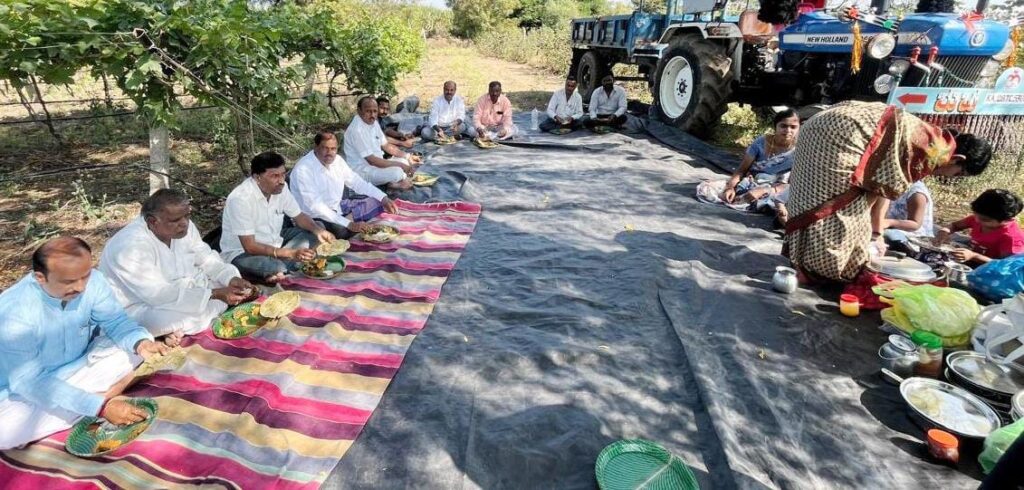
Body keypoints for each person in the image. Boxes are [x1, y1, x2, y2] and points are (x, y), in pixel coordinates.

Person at [784, 101, 992, 283]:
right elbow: (879, 190)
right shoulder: (927, 149)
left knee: (812, 199)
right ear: (959, 159)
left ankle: (804, 265)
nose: (949, 178)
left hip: (819, 125)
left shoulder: (932, 140)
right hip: (839, 135)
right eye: (957, 174)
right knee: (841, 211)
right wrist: (875, 234)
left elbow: (880, 184)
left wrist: (875, 232)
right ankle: (822, 271)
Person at [0, 236, 170, 450]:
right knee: (4, 433)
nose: (80, 287)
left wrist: (141, 344)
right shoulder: (13, 312)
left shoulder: (94, 282)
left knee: (134, 347)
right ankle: (102, 396)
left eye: (85, 276)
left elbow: (115, 321)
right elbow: (28, 381)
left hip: (80, 366)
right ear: (40, 278)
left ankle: (80, 404)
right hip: (23, 390)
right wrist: (100, 407)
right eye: (69, 282)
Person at [99, 189, 253, 341]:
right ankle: (209, 312)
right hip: (142, 306)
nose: (184, 223)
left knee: (231, 272)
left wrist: (230, 279)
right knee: (175, 319)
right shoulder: (129, 246)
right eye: (175, 220)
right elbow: (157, 295)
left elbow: (205, 258)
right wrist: (215, 294)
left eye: (187, 216)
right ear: (152, 221)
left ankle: (197, 318)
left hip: (188, 289)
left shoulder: (184, 225)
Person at [220, 151, 336, 284]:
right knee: (276, 266)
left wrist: (319, 232)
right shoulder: (241, 199)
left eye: (283, 174)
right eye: (274, 176)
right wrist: (291, 253)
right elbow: (250, 246)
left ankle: (284, 267)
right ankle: (283, 266)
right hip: (244, 253)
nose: (281, 181)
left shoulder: (281, 188)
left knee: (318, 228)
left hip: (276, 241)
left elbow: (299, 216)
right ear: (257, 178)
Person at [695, 109, 799, 225]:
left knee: (784, 205)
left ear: (799, 128)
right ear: (775, 127)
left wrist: (765, 190)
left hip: (778, 190)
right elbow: (741, 170)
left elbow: (795, 184)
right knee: (706, 189)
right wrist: (730, 188)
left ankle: (778, 214)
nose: (788, 131)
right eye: (783, 126)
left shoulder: (801, 149)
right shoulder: (761, 143)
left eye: (793, 127)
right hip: (751, 182)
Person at [290, 131, 399, 239]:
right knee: (339, 229)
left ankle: (350, 220)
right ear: (316, 147)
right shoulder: (303, 169)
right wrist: (348, 224)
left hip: (339, 207)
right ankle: (349, 224)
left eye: (333, 149)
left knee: (377, 201)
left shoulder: (337, 161)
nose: (329, 153)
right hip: (316, 217)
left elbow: (357, 182)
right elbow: (315, 206)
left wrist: (383, 198)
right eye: (325, 148)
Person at [343, 96, 422, 189]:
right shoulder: (356, 130)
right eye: (368, 111)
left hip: (378, 165)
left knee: (404, 160)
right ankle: (394, 184)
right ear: (359, 111)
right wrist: (403, 167)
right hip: (363, 171)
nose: (372, 115)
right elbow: (372, 161)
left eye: (375, 111)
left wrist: (407, 156)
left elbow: (386, 145)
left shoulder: (373, 123)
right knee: (397, 172)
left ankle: (391, 182)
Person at [934, 188, 1024, 264]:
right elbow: (954, 225)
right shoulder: (979, 218)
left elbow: (1007, 265)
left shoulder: (1011, 237)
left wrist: (974, 256)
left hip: (988, 269)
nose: (977, 220)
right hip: (971, 252)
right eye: (976, 215)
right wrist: (944, 232)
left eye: (985, 220)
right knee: (935, 231)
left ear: (1006, 220)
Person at [879, 181, 935, 254]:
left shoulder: (917, 192)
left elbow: (915, 224)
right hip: (893, 227)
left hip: (915, 237)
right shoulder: (890, 185)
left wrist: (888, 223)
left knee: (887, 235)